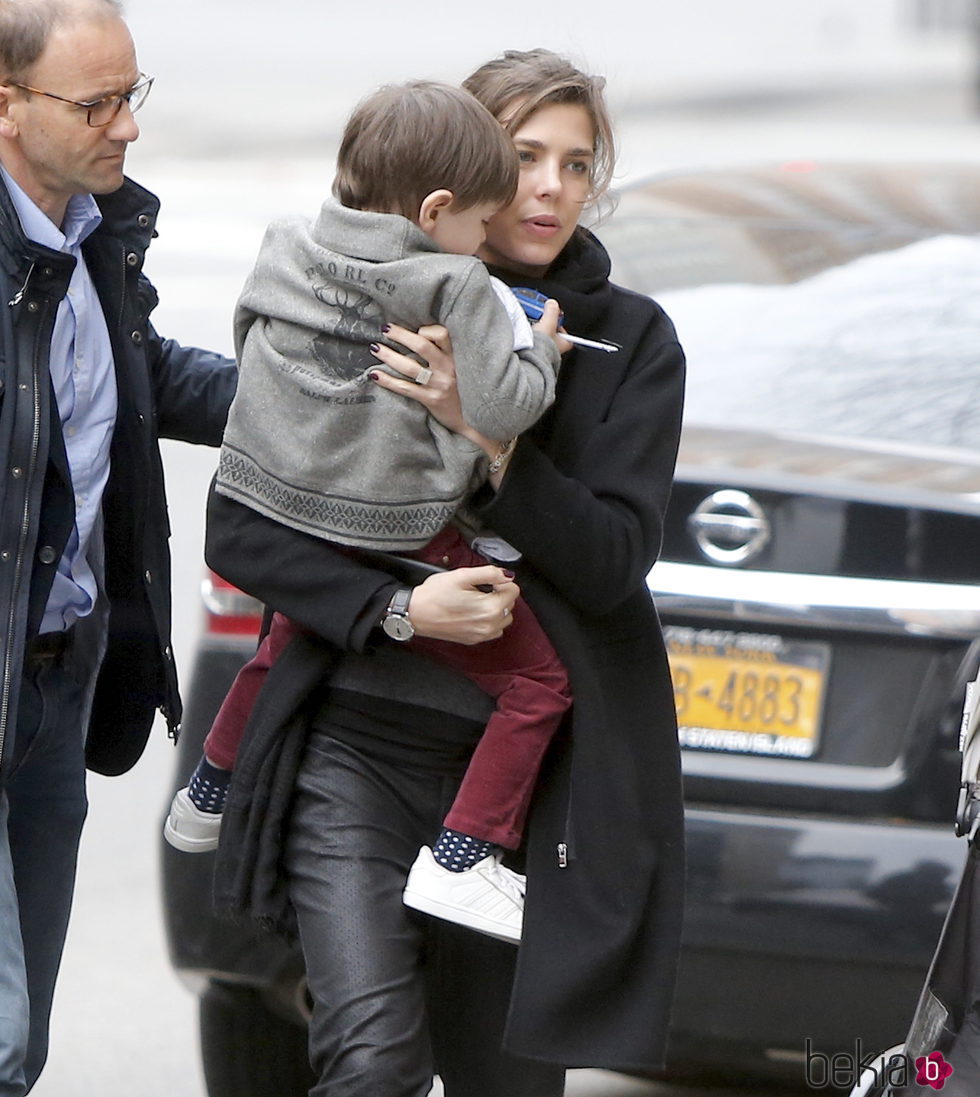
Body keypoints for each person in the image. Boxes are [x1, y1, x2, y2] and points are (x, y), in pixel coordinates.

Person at [205, 47, 685, 1097]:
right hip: (354, 752)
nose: (552, 186)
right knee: (371, 1059)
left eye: (577, 161)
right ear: (460, 169)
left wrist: (489, 437)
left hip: (529, 788)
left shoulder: (631, 341)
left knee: (497, 1083)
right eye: (523, 157)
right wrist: (396, 606)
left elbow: (610, 562)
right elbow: (244, 533)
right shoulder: (353, 298)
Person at [164, 81, 572, 944]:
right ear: (436, 210)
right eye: (476, 222)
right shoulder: (455, 282)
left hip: (279, 498)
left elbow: (249, 337)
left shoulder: (285, 243)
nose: (482, 243)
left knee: (292, 631)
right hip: (400, 524)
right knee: (538, 682)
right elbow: (501, 408)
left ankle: (210, 784)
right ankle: (466, 855)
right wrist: (540, 350)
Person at [0, 1, 236, 1092]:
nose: (125, 127)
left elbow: (145, 377)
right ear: (8, 106)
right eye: (96, 103)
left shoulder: (90, 240)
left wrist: (336, 399)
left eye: (130, 96)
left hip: (57, 685)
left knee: (26, 1037)